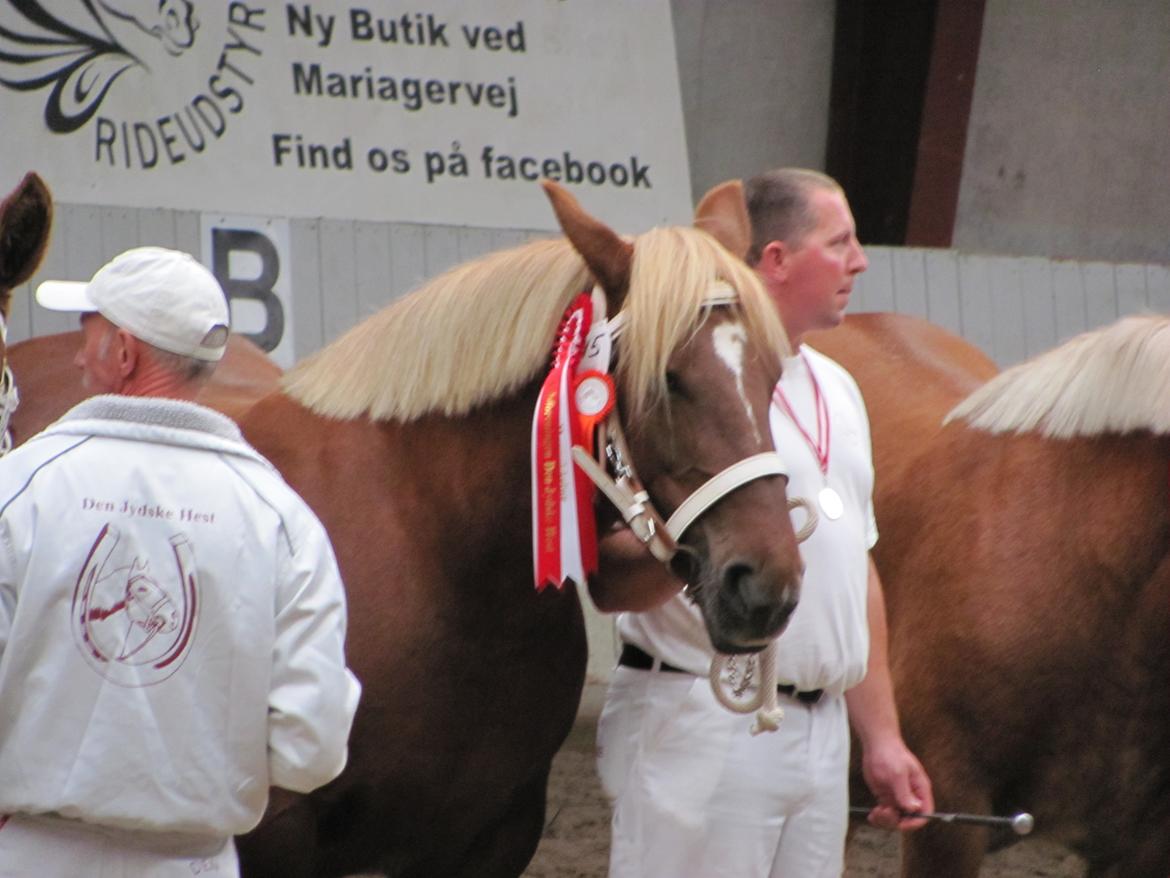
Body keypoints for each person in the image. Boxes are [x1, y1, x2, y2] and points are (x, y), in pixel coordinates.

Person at [593, 169, 933, 877]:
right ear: (775, 259)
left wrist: (882, 738)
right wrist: (686, 552)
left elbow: (853, 573)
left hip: (820, 732)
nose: (860, 260)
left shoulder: (838, 389)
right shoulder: (684, 371)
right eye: (840, 242)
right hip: (706, 711)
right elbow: (607, 576)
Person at [0, 246, 360, 877]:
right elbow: (314, 746)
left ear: (124, 352)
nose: (78, 354)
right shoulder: (281, 521)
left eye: (88, 335)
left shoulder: (19, 489)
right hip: (196, 862)